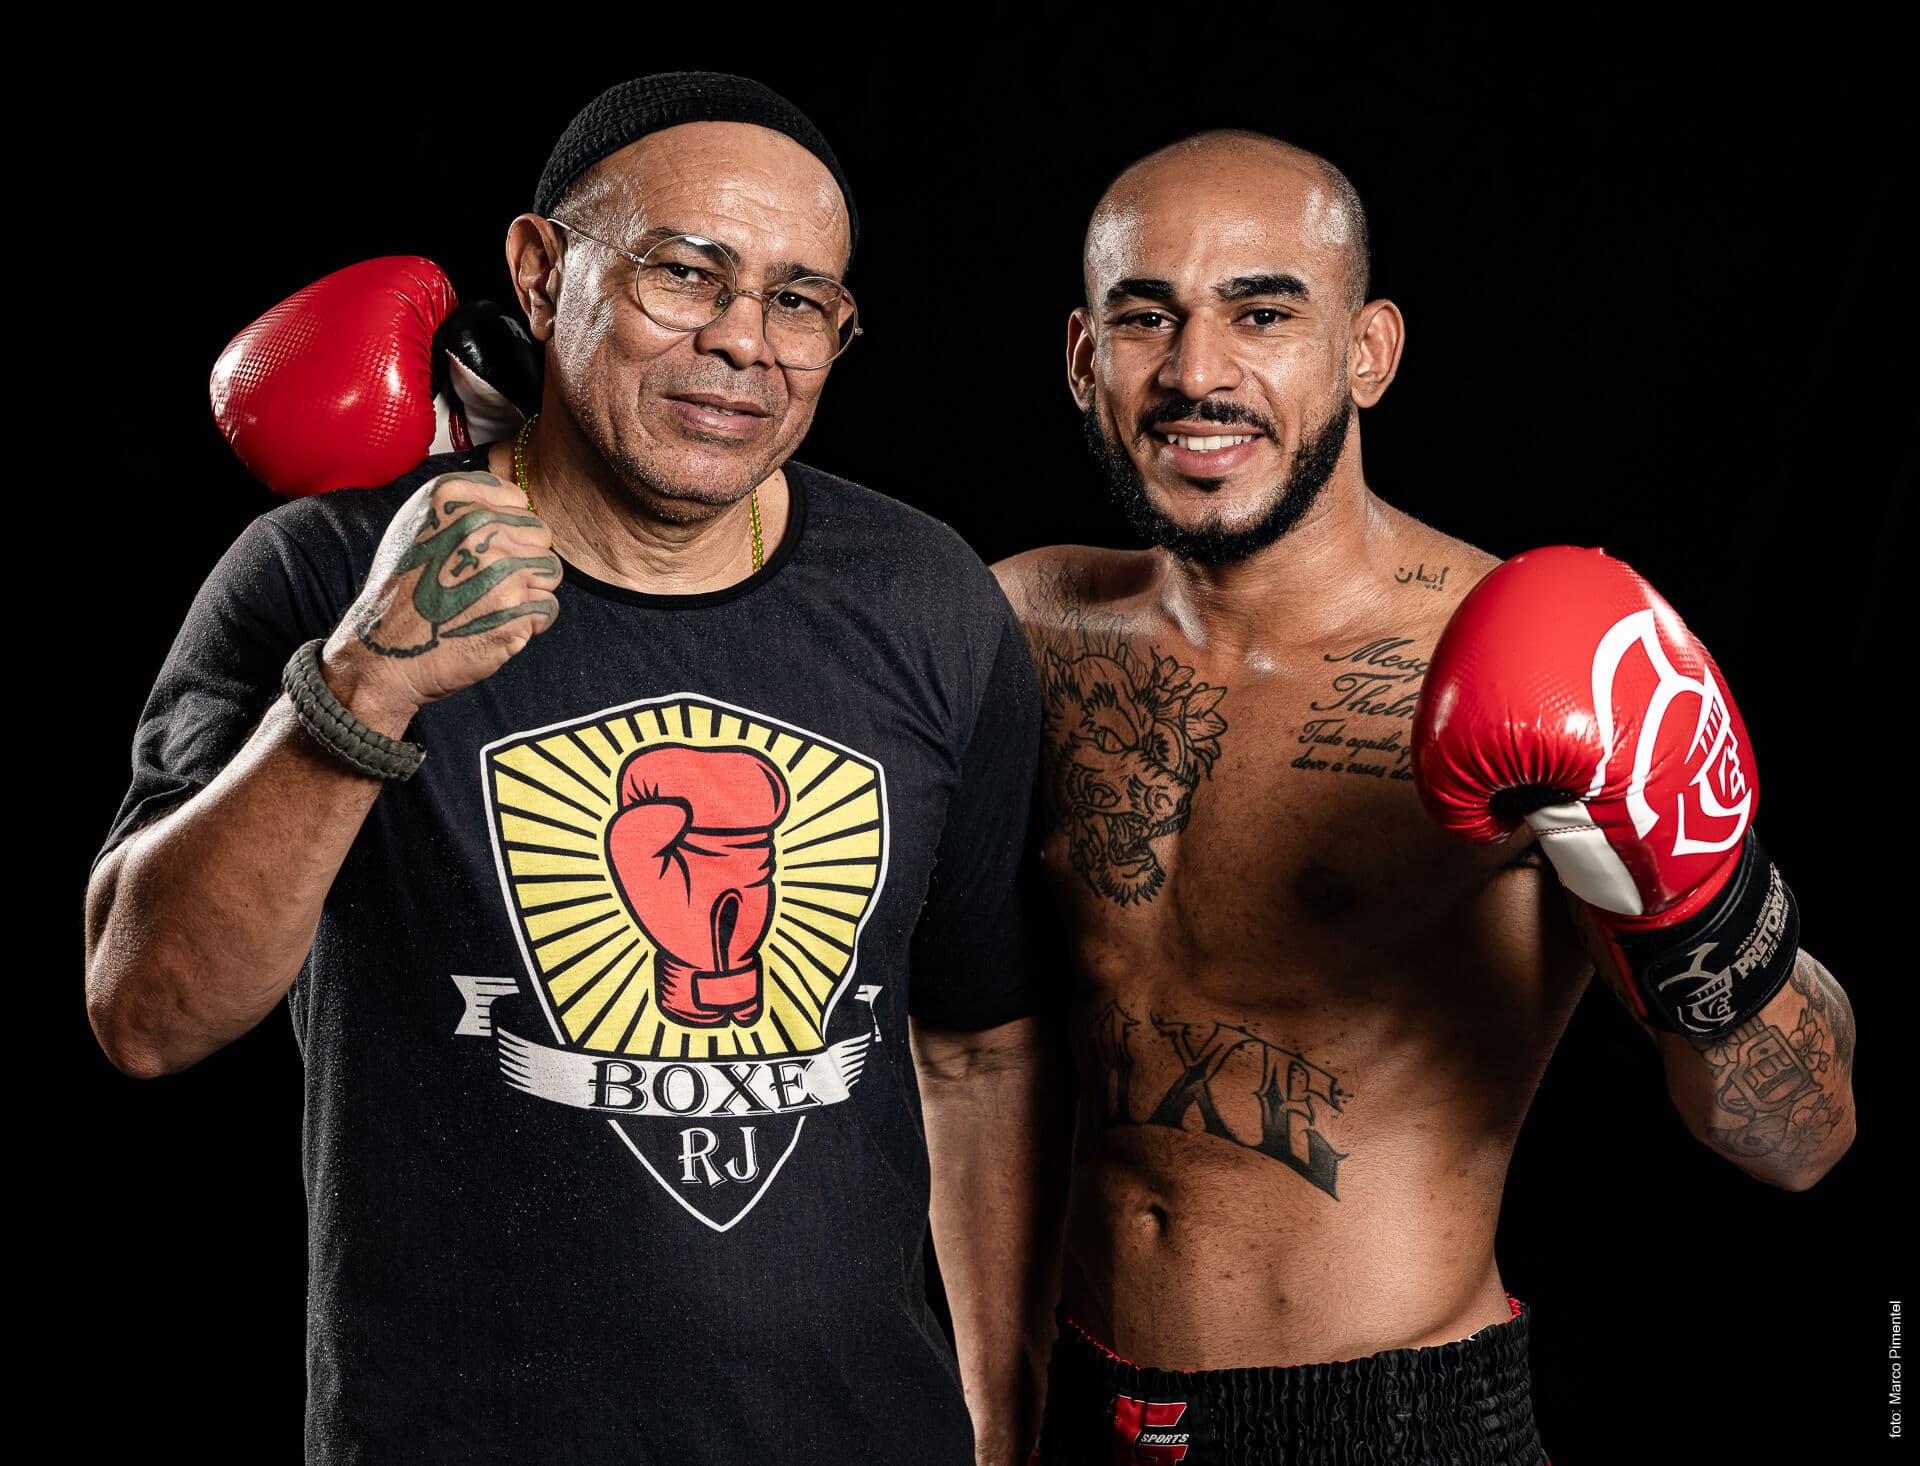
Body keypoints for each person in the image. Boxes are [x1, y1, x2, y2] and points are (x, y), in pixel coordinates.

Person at [85, 72, 1060, 1465]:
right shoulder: (321, 572)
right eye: (686, 273)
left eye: (800, 302)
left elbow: (979, 1046)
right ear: (541, 274)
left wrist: (1000, 1421)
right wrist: (362, 685)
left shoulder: (926, 597)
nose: (744, 344)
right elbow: (144, 1009)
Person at [992, 130, 1859, 1464]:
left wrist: (1702, 899)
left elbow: (1801, 1140)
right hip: (1071, 1397)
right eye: (1143, 316)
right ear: (1079, 356)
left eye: (1263, 312)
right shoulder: (1020, 623)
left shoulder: (1508, 656)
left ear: (1368, 352)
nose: (1196, 372)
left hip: (1386, 1425)